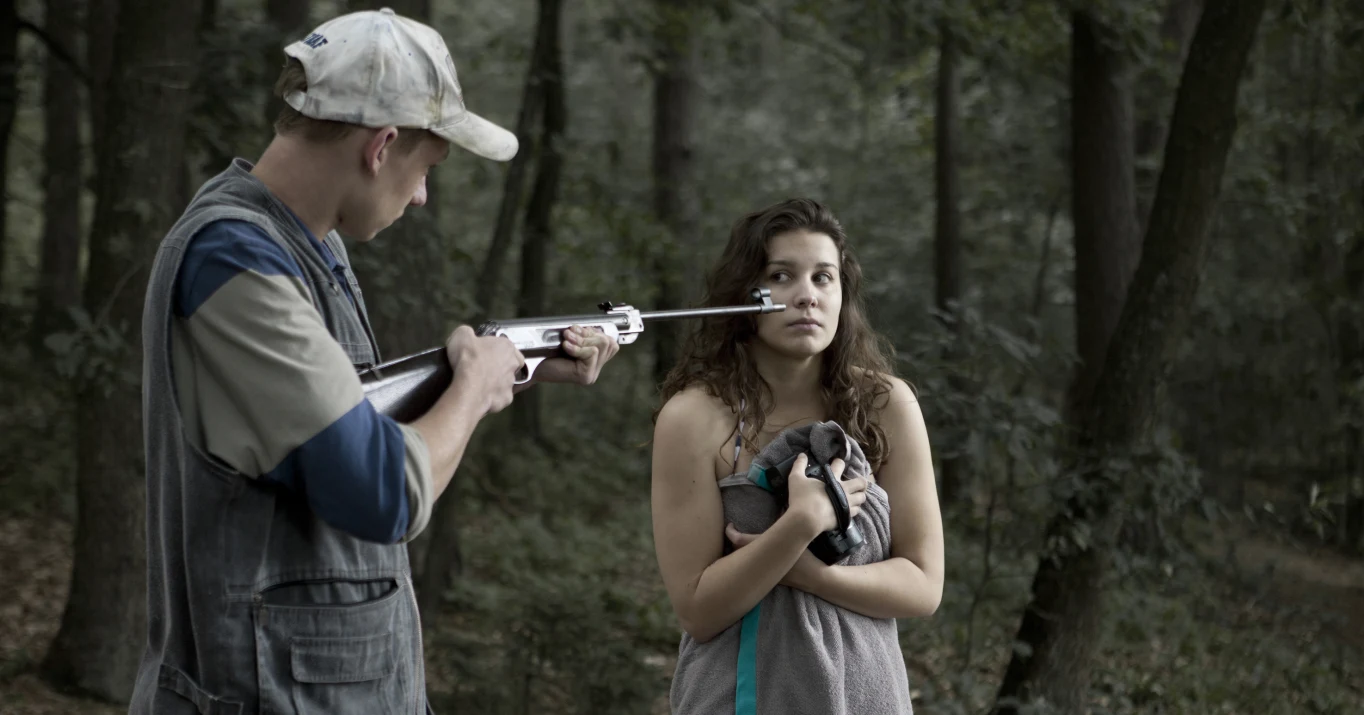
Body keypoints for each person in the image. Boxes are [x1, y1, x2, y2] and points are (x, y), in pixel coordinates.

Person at [129, 9, 619, 715]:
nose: (421, 195)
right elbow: (385, 489)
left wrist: (517, 364)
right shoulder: (235, 259)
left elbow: (343, 422)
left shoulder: (308, 245)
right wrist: (473, 388)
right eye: (427, 169)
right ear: (382, 146)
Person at [649, 198, 945, 714]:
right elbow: (698, 609)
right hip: (737, 697)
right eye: (782, 276)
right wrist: (800, 522)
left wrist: (811, 575)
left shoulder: (886, 404)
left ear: (842, 295)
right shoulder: (693, 417)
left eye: (823, 277)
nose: (806, 295)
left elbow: (923, 585)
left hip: (865, 695)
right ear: (744, 297)